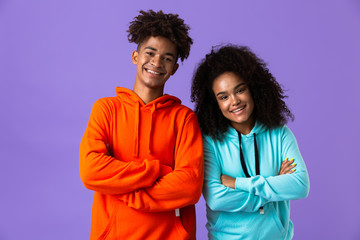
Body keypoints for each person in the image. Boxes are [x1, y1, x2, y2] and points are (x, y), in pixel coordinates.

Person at [79, 10, 203, 240]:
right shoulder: (106, 109)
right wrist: (159, 170)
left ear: (174, 68)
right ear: (135, 57)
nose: (157, 62)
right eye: (151, 53)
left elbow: (190, 185)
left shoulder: (184, 118)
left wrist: (124, 190)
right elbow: (90, 170)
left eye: (167, 57)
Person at [191, 45, 310, 239]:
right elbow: (216, 198)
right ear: (215, 104)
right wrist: (274, 190)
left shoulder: (279, 134)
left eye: (240, 90)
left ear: (253, 89)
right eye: (223, 97)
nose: (234, 101)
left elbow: (300, 185)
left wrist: (237, 183)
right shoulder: (210, 142)